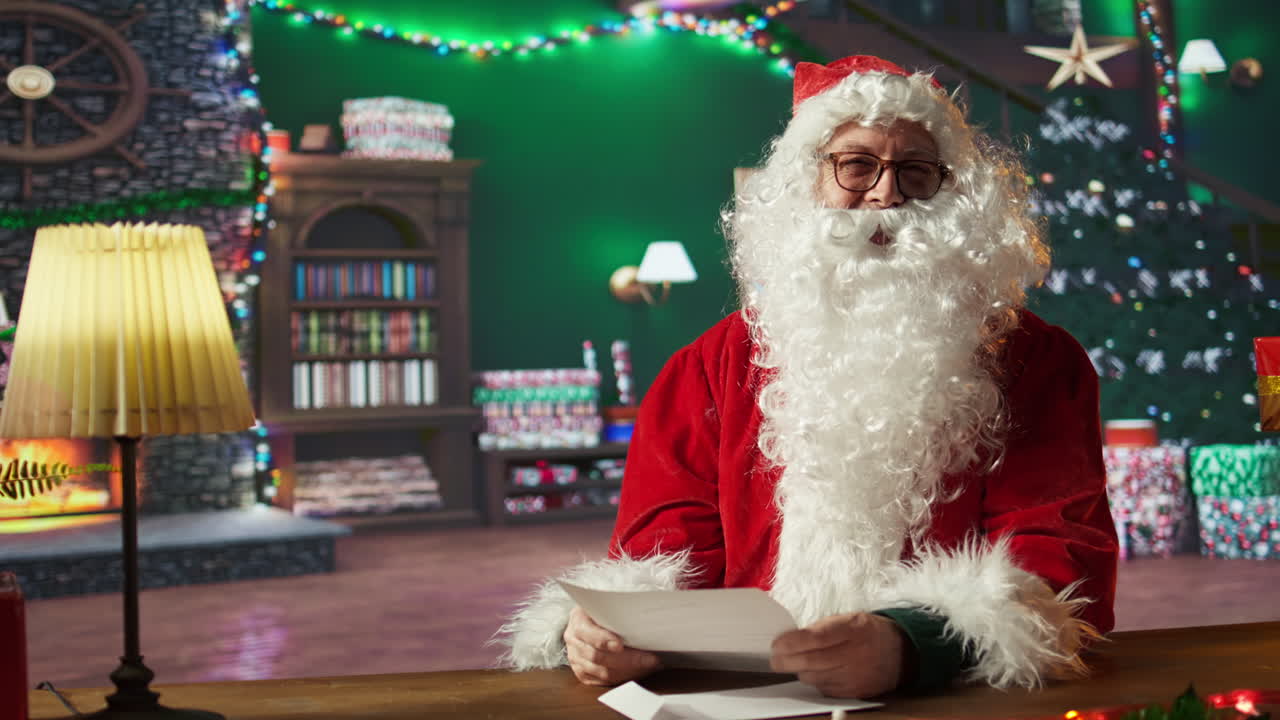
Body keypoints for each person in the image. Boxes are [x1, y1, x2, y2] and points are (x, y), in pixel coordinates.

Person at [496, 55, 1118, 698]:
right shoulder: (707, 369)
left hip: (952, 700)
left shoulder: (1039, 362)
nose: (886, 194)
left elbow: (1058, 559)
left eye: (915, 170)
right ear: (806, 184)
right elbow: (662, 553)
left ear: (952, 191)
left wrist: (914, 643)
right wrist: (613, 634)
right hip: (740, 700)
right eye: (856, 165)